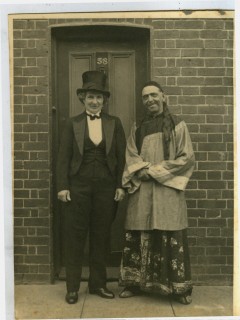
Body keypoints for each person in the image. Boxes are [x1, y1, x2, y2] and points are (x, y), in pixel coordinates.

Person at [119, 80, 195, 305]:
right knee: (139, 230)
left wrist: (152, 171)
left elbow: (186, 158)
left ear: (164, 96)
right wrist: (141, 170)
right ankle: (134, 284)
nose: (150, 100)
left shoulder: (177, 125)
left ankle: (178, 288)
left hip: (168, 191)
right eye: (145, 97)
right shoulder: (138, 126)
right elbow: (130, 155)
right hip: (142, 192)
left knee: (170, 231)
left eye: (154, 95)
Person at [57, 70, 126, 304]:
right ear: (82, 99)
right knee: (75, 236)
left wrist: (120, 185)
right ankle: (73, 288)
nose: (94, 101)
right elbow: (63, 158)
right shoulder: (72, 124)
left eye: (98, 97)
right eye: (90, 97)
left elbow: (121, 157)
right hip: (78, 187)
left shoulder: (114, 123)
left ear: (104, 100)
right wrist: (63, 186)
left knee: (101, 236)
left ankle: (98, 284)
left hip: (107, 189)